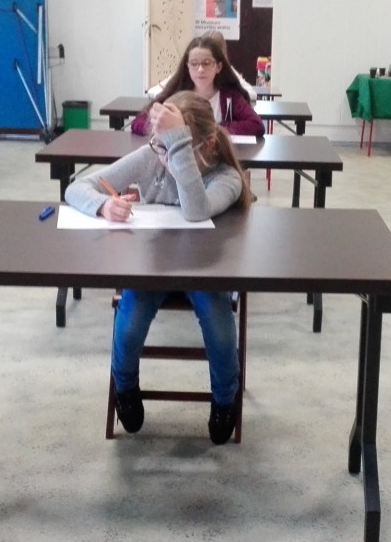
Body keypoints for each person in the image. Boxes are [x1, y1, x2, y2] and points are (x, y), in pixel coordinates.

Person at [66, 91, 253, 444]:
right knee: (129, 326)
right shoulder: (154, 155)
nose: (164, 157)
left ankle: (225, 399)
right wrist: (104, 205)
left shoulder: (226, 176)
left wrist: (177, 145)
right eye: (160, 146)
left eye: (176, 149)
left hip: (205, 271)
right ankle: (125, 388)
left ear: (208, 146)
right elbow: (78, 187)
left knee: (219, 330)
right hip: (153, 268)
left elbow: (195, 210)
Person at [135, 34, 263, 136]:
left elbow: (256, 125)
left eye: (206, 63)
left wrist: (210, 129)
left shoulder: (230, 96)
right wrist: (163, 127)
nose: (200, 69)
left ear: (218, 67)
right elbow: (138, 122)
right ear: (187, 67)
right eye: (194, 64)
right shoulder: (177, 94)